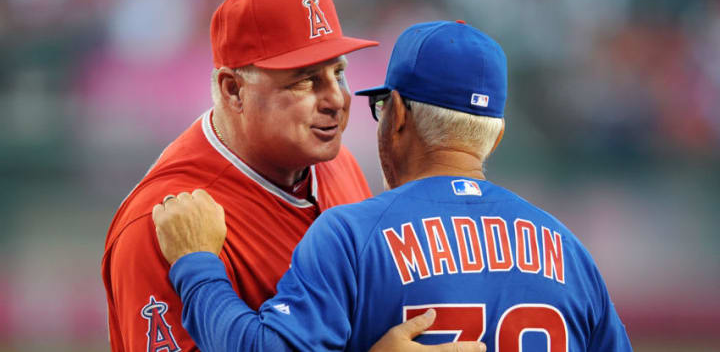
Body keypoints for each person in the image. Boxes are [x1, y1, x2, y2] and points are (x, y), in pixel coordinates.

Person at [152, 20, 633, 351]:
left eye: (380, 108)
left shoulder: (353, 235)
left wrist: (197, 266)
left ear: (397, 114)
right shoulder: (568, 251)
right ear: (496, 135)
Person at [102, 0, 474, 352]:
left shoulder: (335, 161)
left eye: (338, 73)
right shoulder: (167, 223)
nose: (336, 100)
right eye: (306, 81)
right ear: (234, 89)